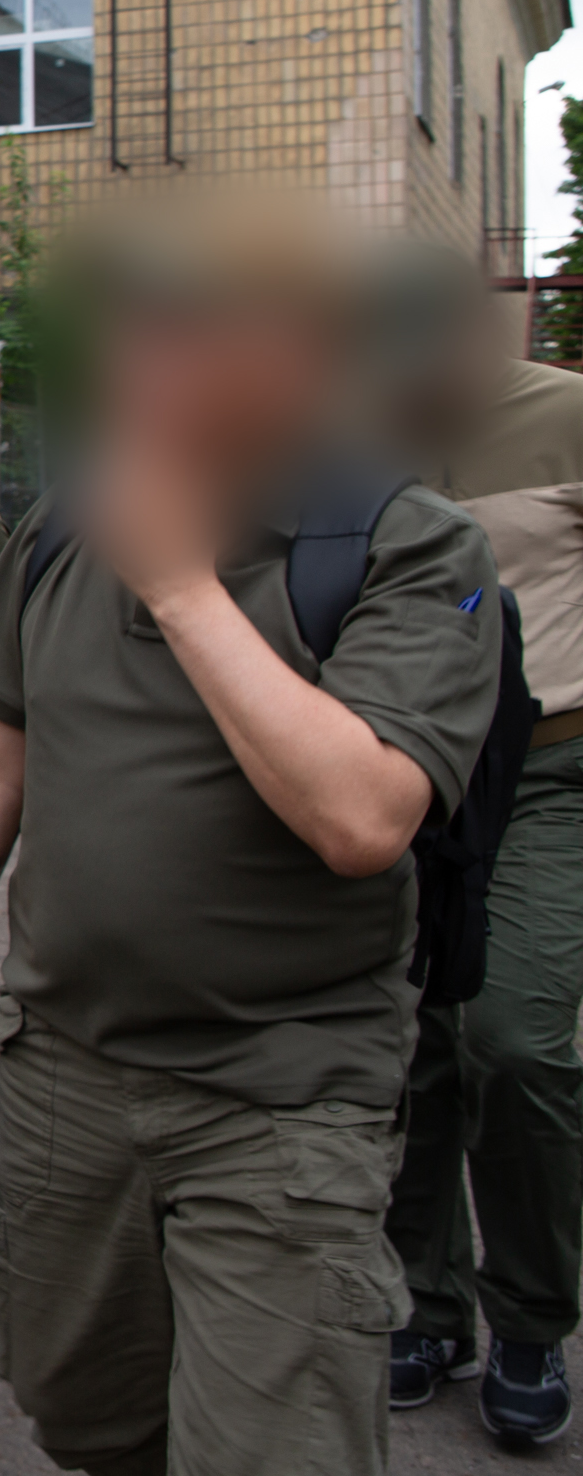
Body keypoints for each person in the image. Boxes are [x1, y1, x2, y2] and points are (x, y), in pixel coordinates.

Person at [0, 216, 504, 1476]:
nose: (136, 362)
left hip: (281, 1095)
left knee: (272, 1446)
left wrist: (184, 589)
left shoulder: (407, 543)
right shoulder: (64, 525)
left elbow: (363, 818)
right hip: (68, 1075)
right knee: (78, 1404)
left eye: (183, 331)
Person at [379, 252, 583, 1446]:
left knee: (516, 1042)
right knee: (411, 1048)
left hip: (550, 773)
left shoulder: (563, 412)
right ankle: (427, 1300)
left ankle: (533, 1315)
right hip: (411, 778)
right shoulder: (353, 435)